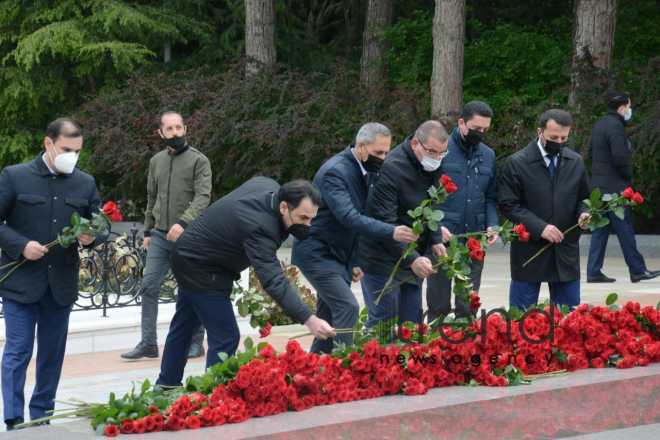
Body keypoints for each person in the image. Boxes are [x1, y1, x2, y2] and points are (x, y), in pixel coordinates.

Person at [156, 177, 335, 387]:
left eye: (311, 219)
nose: (307, 225)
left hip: (192, 255)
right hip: (201, 268)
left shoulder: (268, 187)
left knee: (185, 324)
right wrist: (309, 319)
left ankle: (166, 383)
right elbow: (273, 280)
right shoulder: (260, 227)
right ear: (284, 206)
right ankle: (213, 394)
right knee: (226, 336)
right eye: (303, 218)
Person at [0, 118, 102, 430]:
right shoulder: (15, 176)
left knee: (52, 354)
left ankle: (42, 415)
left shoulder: (85, 183)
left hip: (60, 284)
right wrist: (21, 245)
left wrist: (93, 235)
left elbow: (99, 223)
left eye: (77, 151)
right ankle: (14, 418)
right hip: (20, 283)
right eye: (66, 149)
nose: (72, 155)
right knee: (18, 350)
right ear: (48, 144)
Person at [291, 123, 417, 353]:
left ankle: (317, 366)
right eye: (378, 152)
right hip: (317, 252)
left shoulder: (365, 169)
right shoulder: (335, 172)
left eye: (387, 152)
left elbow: (362, 216)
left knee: (329, 315)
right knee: (347, 307)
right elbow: (349, 217)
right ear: (360, 147)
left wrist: (355, 259)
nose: (383, 157)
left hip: (338, 254)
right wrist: (391, 231)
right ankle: (344, 366)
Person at [121, 111, 212, 361]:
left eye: (178, 127)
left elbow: (203, 197)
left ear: (185, 129)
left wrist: (183, 222)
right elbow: (152, 196)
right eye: (169, 129)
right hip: (160, 235)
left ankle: (196, 342)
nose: (175, 133)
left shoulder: (199, 161)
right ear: (161, 133)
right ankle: (149, 343)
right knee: (149, 286)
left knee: (190, 288)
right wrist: (148, 230)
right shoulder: (156, 161)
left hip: (189, 235)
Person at [359, 120, 451, 328]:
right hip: (381, 256)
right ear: (415, 144)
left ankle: (407, 359)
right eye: (432, 152)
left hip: (411, 256)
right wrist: (413, 259)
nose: (437, 158)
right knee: (384, 324)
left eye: (442, 153)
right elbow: (386, 224)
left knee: (411, 325)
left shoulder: (433, 162)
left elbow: (431, 204)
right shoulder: (390, 168)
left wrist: (435, 239)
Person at [498, 109, 590, 310]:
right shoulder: (517, 163)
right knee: (521, 317)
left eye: (563, 137)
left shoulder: (575, 162)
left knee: (568, 319)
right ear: (539, 131)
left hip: (565, 250)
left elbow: (583, 197)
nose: (559, 141)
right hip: (529, 249)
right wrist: (539, 227)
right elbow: (508, 204)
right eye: (553, 137)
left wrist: (584, 213)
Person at [426, 101, 498, 322]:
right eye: (476, 129)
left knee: (467, 304)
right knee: (438, 304)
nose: (481, 134)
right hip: (443, 239)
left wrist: (492, 223)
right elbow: (423, 194)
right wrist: (436, 228)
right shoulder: (440, 150)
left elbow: (491, 197)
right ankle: (437, 348)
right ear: (461, 123)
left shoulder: (488, 155)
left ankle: (464, 347)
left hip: (474, 239)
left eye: (485, 130)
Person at [587, 91, 660, 283]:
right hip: (615, 188)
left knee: (600, 230)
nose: (629, 110)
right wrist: (628, 177)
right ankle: (637, 270)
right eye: (629, 106)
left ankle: (593, 271)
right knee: (625, 228)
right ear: (622, 107)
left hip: (598, 188)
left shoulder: (600, 124)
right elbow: (620, 157)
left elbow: (589, 153)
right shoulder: (616, 126)